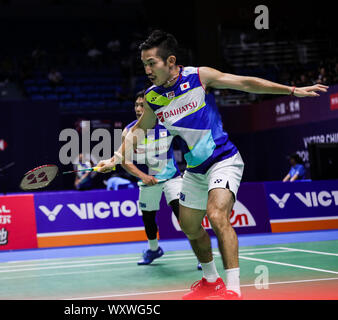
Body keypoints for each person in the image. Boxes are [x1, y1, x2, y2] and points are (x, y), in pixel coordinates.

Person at [95, 30, 328, 300]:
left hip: (223, 159)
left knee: (217, 215)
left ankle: (233, 288)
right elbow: (139, 130)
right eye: (144, 64)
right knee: (189, 226)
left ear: (170, 61)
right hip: (195, 170)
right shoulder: (153, 97)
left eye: (152, 63)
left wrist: (291, 90)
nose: (147, 69)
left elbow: (244, 83)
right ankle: (210, 280)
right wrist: (114, 158)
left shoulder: (198, 76)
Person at [122, 90, 201, 267]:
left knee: (184, 215)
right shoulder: (129, 131)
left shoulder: (167, 125)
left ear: (151, 107)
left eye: (142, 105)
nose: (138, 108)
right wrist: (144, 176)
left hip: (171, 178)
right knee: (148, 218)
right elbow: (125, 162)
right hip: (148, 181)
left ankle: (200, 253)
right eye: (136, 105)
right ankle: (154, 249)